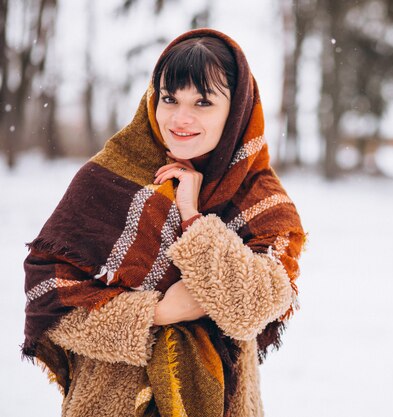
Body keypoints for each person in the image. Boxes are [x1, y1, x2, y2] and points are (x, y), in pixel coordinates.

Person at [22, 28, 305, 417]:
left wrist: (194, 218)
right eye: (170, 98)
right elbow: (54, 311)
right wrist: (157, 313)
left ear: (236, 110)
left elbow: (250, 308)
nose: (180, 118)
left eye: (203, 101)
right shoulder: (106, 178)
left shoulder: (261, 200)